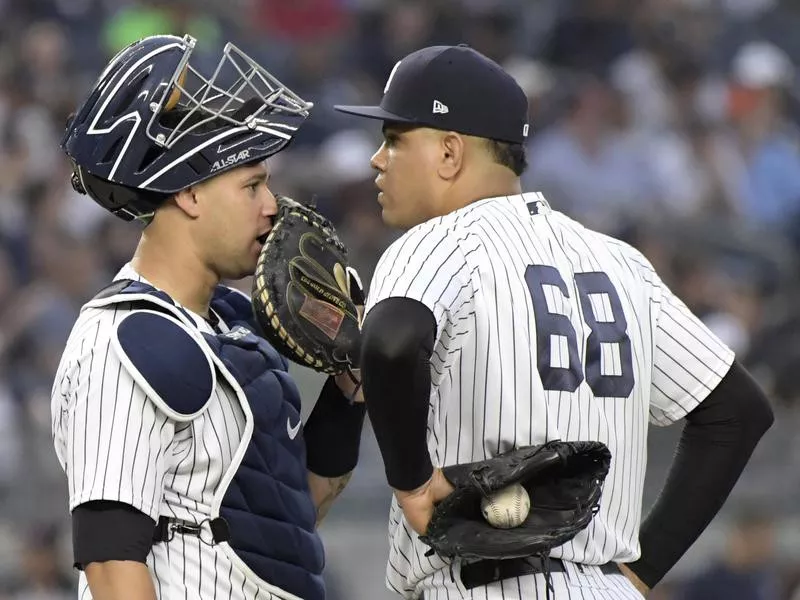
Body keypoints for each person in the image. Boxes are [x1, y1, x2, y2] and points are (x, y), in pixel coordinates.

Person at [334, 44, 774, 599]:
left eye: (395, 139)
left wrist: (413, 484)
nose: (378, 158)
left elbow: (393, 343)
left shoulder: (434, 242)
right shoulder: (619, 262)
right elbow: (738, 410)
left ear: (450, 152)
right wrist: (643, 570)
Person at [51, 34, 367, 600]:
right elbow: (110, 563)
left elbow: (284, 521)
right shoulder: (122, 340)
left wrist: (349, 391)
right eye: (252, 185)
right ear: (190, 194)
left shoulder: (235, 322)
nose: (273, 205)